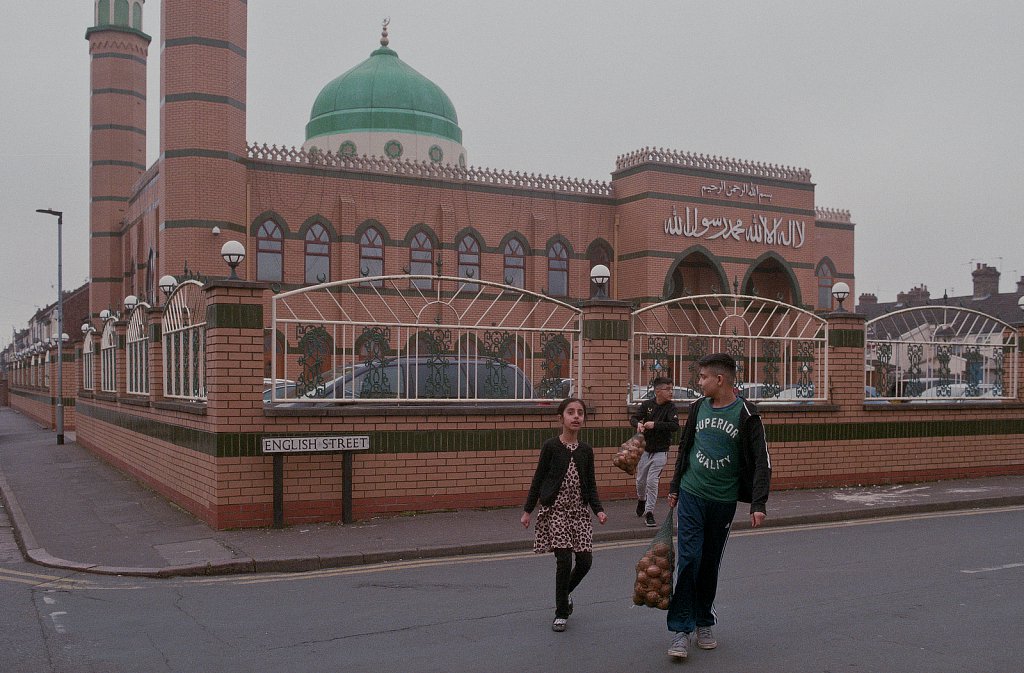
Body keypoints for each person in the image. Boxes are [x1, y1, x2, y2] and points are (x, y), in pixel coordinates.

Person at [664, 353, 771, 659]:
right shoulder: (697, 407)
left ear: (719, 379)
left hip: (723, 501)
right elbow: (685, 447)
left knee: (709, 563)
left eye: (702, 378)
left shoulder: (747, 413)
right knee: (689, 559)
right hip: (692, 494)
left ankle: (703, 621)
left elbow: (762, 461)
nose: (699, 383)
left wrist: (758, 502)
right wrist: (674, 487)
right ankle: (680, 630)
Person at [521, 397, 608, 632]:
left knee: (585, 562)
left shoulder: (586, 451)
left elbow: (591, 484)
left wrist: (598, 510)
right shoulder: (551, 447)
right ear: (561, 418)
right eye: (571, 412)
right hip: (556, 511)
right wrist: (528, 510)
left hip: (579, 513)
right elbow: (538, 479)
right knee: (563, 560)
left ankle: (564, 593)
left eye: (580, 412)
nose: (576, 416)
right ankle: (561, 612)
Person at [630, 376, 680, 527]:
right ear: (658, 391)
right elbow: (634, 418)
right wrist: (638, 424)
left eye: (672, 389)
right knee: (640, 482)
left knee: (652, 481)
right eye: (668, 389)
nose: (671, 392)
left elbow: (674, 425)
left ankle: (649, 513)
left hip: (660, 451)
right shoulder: (647, 405)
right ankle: (641, 500)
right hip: (645, 450)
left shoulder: (671, 408)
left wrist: (655, 425)